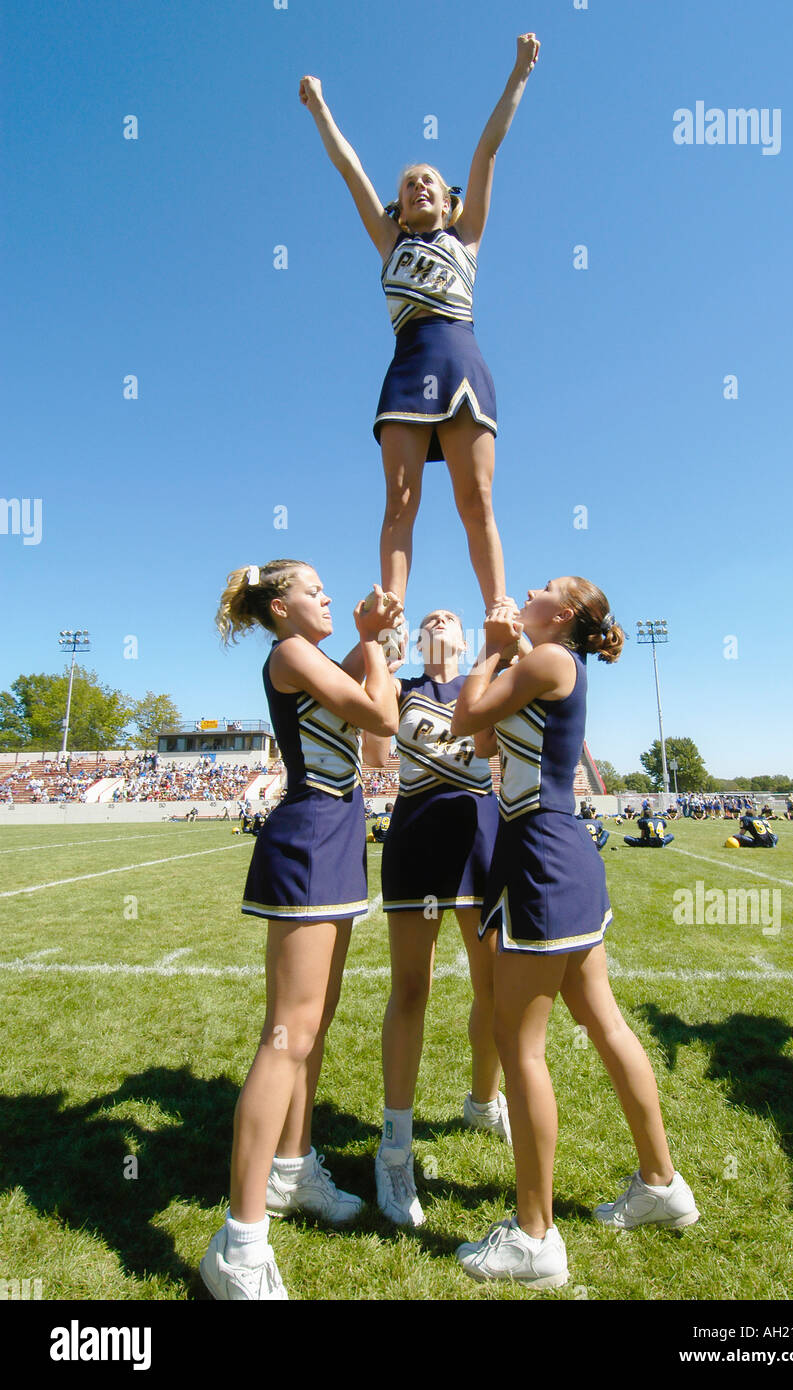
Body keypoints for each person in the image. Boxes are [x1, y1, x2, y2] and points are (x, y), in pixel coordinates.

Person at [449, 578, 698, 1288]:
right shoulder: (548, 662)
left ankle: (535, 1237)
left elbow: (467, 717)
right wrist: (503, 654)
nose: (527, 588)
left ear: (560, 616)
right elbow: (494, 735)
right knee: (602, 1021)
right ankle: (661, 1185)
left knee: (517, 1043)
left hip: (541, 858)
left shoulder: (549, 660)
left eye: (544, 589)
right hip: (555, 854)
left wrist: (490, 651)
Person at [199, 561, 401, 1301]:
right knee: (286, 1035)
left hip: (339, 838)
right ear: (281, 608)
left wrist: (371, 636)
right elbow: (380, 719)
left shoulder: (314, 658)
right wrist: (373, 640)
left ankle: (293, 1170)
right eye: (314, 590)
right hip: (310, 837)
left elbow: (363, 689)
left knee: (311, 1031)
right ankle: (239, 1243)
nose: (326, 595)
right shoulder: (288, 654)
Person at [298, 35, 540, 612]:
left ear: (449, 200)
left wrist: (519, 75)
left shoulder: (468, 238)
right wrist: (320, 109)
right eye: (409, 185)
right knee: (400, 500)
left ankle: (497, 610)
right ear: (399, 208)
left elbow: (487, 152)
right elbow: (350, 169)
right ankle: (391, 615)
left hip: (462, 365)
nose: (420, 186)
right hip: (408, 368)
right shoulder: (389, 244)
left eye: (430, 180)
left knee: (475, 499)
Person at [364, 608, 509, 1227]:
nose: (441, 619)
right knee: (411, 987)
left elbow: (497, 749)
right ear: (418, 638)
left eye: (450, 615)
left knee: (495, 987)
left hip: (479, 834)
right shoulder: (400, 687)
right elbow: (373, 754)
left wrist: (496, 661)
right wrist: (379, 671)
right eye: (431, 615)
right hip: (418, 834)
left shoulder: (489, 680)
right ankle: (394, 1146)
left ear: (465, 636)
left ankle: (484, 1101)